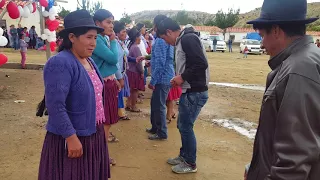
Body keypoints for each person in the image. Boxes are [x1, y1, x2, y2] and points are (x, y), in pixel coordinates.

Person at [243, 0, 320, 179]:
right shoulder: (304, 60)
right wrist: (255, 168)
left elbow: (294, 158)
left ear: (276, 30)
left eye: (262, 36)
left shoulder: (299, 70)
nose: (262, 44)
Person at [37, 9, 110, 180]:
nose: (93, 43)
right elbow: (55, 105)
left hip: (93, 133)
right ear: (72, 37)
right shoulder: (60, 63)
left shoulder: (89, 61)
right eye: (88, 37)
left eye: (95, 38)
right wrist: (70, 137)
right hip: (72, 137)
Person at [158, 20, 209, 174]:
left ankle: (190, 163)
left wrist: (182, 77)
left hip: (195, 91)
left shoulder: (187, 39)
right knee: (183, 125)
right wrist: (181, 77)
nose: (166, 42)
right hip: (190, 90)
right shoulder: (184, 40)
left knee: (186, 127)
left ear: (168, 32)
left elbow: (201, 63)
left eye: (163, 38)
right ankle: (184, 156)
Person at [92, 9, 119, 166]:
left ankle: (101, 155)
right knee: (104, 122)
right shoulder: (100, 40)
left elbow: (111, 62)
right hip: (101, 85)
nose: (111, 26)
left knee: (105, 122)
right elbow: (113, 58)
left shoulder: (102, 39)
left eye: (112, 22)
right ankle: (100, 156)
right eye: (108, 22)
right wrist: (114, 41)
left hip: (106, 82)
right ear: (98, 23)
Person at [146, 15, 175, 141]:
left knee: (160, 105)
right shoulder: (164, 40)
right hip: (165, 76)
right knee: (155, 103)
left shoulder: (160, 41)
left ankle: (161, 132)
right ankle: (155, 127)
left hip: (162, 78)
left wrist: (153, 80)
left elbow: (161, 62)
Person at [126, 27, 145, 113]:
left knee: (131, 89)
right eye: (140, 36)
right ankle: (133, 106)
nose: (141, 38)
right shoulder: (136, 48)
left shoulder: (130, 45)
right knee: (135, 90)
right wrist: (141, 71)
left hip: (130, 70)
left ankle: (128, 104)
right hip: (135, 71)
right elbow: (139, 62)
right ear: (136, 37)